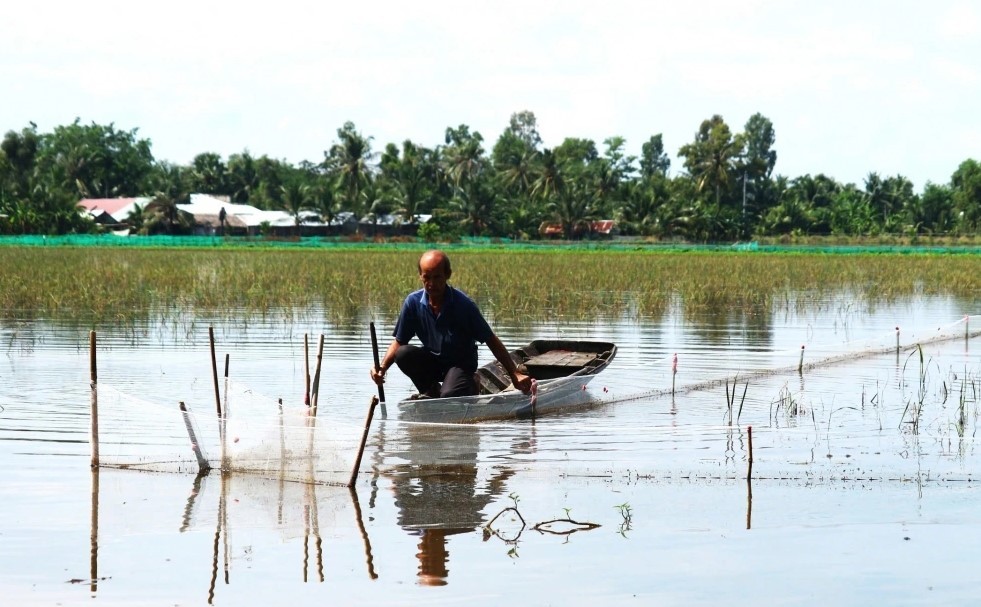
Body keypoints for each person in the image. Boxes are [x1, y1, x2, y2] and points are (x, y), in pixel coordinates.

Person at [370, 249, 532, 398]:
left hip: (460, 365)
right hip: (433, 363)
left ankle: (472, 382)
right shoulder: (413, 303)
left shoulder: (463, 305)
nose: (431, 283)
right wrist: (382, 368)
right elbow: (399, 341)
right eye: (427, 277)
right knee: (403, 353)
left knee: (448, 396)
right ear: (420, 276)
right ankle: (430, 390)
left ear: (447, 275)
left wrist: (514, 374)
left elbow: (490, 339)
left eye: (437, 277)